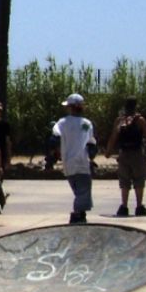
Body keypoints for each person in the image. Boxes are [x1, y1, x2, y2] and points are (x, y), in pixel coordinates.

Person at [105, 97, 146, 216]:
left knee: (124, 181)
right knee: (139, 180)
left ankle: (124, 206)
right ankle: (139, 206)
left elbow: (113, 137)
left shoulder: (119, 120)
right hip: (137, 153)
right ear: (135, 106)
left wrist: (108, 152)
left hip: (123, 153)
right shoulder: (139, 120)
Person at [53, 93, 97, 224]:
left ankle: (81, 214)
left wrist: (54, 154)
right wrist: (92, 156)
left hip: (68, 163)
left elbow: (54, 137)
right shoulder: (86, 123)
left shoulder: (62, 122)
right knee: (83, 191)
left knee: (78, 190)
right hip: (82, 162)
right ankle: (77, 215)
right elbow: (91, 143)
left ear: (71, 107)